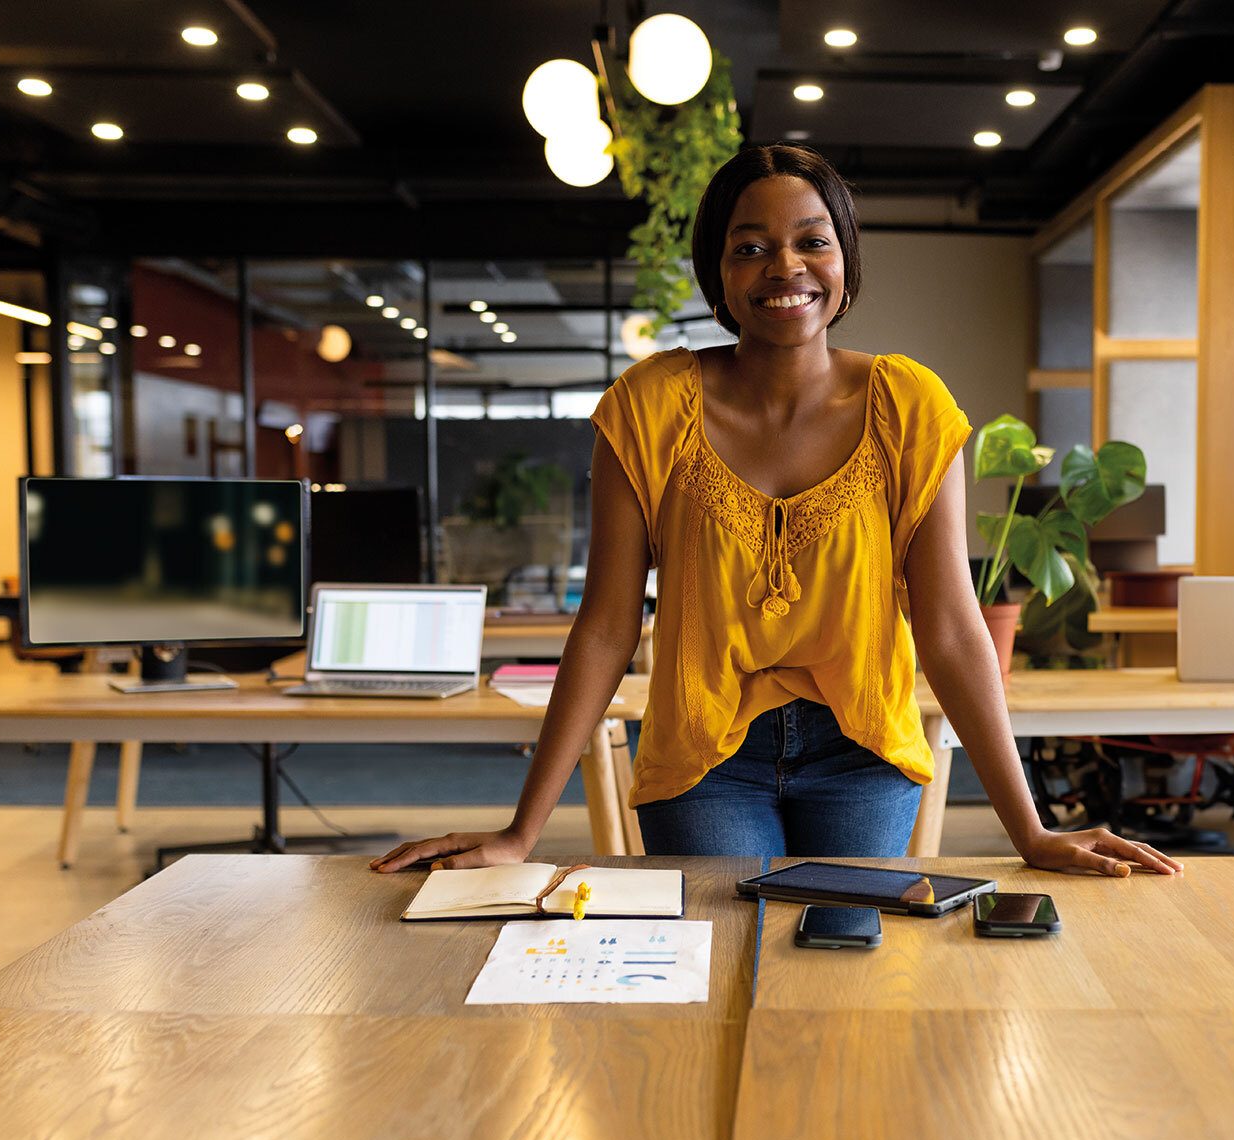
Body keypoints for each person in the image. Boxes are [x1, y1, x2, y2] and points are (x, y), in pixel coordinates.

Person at [373, 144, 1178, 877]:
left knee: (843, 970)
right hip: (701, 755)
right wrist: (521, 833)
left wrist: (1031, 834)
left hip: (862, 750)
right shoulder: (648, 406)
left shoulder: (910, 405)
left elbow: (951, 627)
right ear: (718, 275)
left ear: (845, 258)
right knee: (720, 972)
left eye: (811, 240)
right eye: (749, 247)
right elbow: (606, 625)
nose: (783, 266)